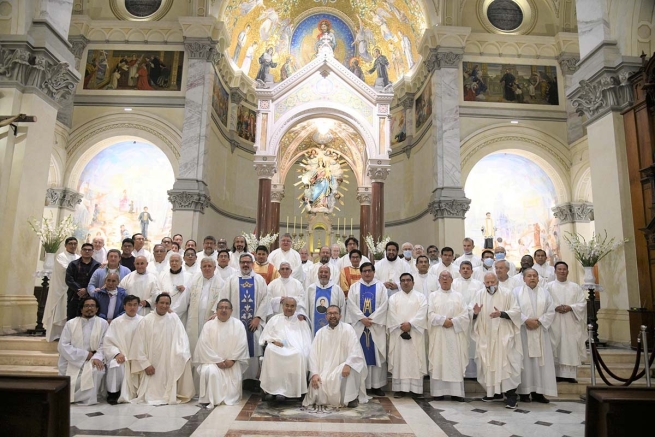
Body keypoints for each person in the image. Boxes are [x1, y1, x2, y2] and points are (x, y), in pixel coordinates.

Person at [130, 294, 195, 405]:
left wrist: (183, 354)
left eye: (167, 303)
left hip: (169, 361)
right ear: (156, 304)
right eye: (162, 303)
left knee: (184, 359)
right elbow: (138, 345)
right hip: (151, 364)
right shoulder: (146, 320)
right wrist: (145, 364)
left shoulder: (174, 319)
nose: (164, 306)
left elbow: (182, 338)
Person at [471, 273, 523, 409]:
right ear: (483, 283)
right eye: (487, 282)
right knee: (487, 363)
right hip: (485, 335)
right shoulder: (479, 294)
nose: (490, 285)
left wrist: (502, 314)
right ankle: (494, 393)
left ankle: (511, 396)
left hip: (503, 335)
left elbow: (517, 311)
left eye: (492, 282)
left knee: (507, 364)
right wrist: (475, 313)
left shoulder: (507, 293)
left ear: (497, 282)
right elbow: (470, 312)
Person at [219, 253, 272, 382]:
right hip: (235, 323)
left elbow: (266, 299)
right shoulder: (231, 280)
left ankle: (252, 379)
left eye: (248, 262)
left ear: (252, 264)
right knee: (235, 347)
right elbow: (223, 300)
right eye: (243, 262)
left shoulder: (259, 280)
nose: (245, 264)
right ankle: (238, 378)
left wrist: (258, 317)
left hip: (254, 323)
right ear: (239, 263)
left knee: (254, 347)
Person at [303, 305, 368, 409]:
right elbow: (313, 355)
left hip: (343, 368)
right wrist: (314, 373)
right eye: (330, 313)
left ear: (340, 316)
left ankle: (350, 398)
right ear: (326, 316)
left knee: (351, 368)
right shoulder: (320, 333)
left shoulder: (348, 329)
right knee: (317, 389)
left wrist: (348, 364)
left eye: (335, 313)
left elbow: (355, 350)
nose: (332, 316)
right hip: (324, 371)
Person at [193, 299, 250, 409]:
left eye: (226, 308)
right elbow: (204, 345)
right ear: (217, 310)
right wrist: (217, 361)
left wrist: (232, 360)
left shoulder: (238, 325)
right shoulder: (208, 325)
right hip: (213, 362)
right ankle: (209, 399)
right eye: (221, 308)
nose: (223, 310)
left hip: (231, 364)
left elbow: (242, 344)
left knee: (231, 393)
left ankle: (226, 397)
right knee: (209, 371)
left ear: (231, 310)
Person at [514, 269, 558, 403]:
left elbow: (551, 311)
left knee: (540, 363)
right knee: (525, 363)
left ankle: (539, 392)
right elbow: (514, 309)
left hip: (540, 332)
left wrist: (539, 322)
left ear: (538, 279)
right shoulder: (516, 292)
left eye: (534, 276)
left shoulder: (545, 293)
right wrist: (526, 320)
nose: (532, 278)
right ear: (524, 278)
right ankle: (524, 392)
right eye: (529, 276)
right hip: (523, 332)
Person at [346, 262, 388, 396]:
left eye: (369, 271)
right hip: (359, 326)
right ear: (361, 273)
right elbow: (351, 304)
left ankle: (377, 385)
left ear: (374, 272)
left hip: (376, 326)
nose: (367, 273)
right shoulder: (355, 287)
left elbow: (384, 305)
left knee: (376, 354)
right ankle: (360, 384)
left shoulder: (381, 287)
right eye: (364, 271)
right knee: (360, 353)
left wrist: (372, 319)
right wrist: (361, 318)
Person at [427, 272, 470, 401]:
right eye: (442, 277)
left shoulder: (459, 296)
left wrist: (453, 322)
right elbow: (429, 314)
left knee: (454, 362)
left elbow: (465, 315)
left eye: (447, 277)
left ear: (452, 280)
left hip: (454, 335)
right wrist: (442, 321)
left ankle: (456, 392)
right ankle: (438, 392)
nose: (445, 279)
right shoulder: (433, 296)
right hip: (439, 335)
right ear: (438, 280)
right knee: (439, 360)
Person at [259, 297, 313, 401]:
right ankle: (272, 390)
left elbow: (307, 341)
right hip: (277, 347)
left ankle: (291, 391)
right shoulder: (274, 319)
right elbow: (265, 337)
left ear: (296, 308)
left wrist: (301, 349)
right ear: (282, 306)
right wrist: (273, 341)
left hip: (294, 350)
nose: (289, 308)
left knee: (299, 354)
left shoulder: (301, 321)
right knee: (270, 350)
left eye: (292, 306)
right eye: (287, 305)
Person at [57, 296, 108, 405]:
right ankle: (73, 397)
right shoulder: (71, 324)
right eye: (86, 306)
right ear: (81, 309)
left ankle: (88, 399)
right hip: (73, 360)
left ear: (97, 309)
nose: (89, 308)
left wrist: (96, 357)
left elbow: (105, 344)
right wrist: (85, 355)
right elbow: (63, 345)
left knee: (97, 371)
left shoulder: (103, 324)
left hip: (94, 359)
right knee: (72, 378)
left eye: (92, 306)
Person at [387, 273, 428, 398]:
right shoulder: (393, 298)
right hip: (399, 334)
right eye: (403, 280)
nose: (406, 282)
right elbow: (392, 314)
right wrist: (402, 326)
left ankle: (416, 390)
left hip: (415, 333)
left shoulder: (421, 297)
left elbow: (422, 313)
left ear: (413, 282)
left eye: (408, 280)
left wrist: (411, 324)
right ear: (400, 283)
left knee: (415, 359)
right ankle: (400, 389)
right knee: (400, 360)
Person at [546, 261, 587, 383]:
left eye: (564, 269)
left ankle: (570, 375)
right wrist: (555, 307)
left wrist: (570, 307)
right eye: (559, 269)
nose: (562, 271)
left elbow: (582, 303)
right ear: (555, 271)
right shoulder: (549, 286)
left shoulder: (575, 287)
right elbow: (545, 302)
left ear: (567, 271)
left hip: (571, 320)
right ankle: (557, 374)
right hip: (555, 321)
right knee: (557, 345)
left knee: (570, 345)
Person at [175, 258, 225, 355]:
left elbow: (222, 301)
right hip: (194, 321)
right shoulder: (194, 280)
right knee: (193, 348)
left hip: (211, 320)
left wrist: (216, 312)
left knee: (209, 348)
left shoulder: (221, 283)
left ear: (214, 268)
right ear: (200, 268)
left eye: (209, 266)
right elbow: (184, 299)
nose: (207, 268)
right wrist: (173, 312)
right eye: (204, 266)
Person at [102, 294, 143, 404]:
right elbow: (108, 342)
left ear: (139, 306)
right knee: (116, 364)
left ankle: (137, 392)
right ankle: (113, 393)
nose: (132, 308)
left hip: (138, 356)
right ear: (124, 306)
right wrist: (116, 354)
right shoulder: (116, 322)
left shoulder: (144, 321)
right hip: (122, 355)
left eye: (135, 305)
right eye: (129, 305)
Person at [452, 260, 483, 379]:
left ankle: (473, 374)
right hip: (458, 320)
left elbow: (478, 299)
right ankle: (459, 373)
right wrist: (462, 314)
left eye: (467, 268)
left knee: (473, 346)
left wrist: (471, 312)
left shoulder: (478, 284)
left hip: (474, 320)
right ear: (459, 271)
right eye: (463, 268)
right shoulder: (454, 283)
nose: (465, 270)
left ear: (472, 271)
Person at [44, 237, 79, 341]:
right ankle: (56, 335)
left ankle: (68, 336)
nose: (73, 246)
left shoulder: (78, 256)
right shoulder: (61, 256)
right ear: (66, 245)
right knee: (60, 310)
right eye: (70, 244)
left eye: (75, 244)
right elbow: (65, 269)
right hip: (61, 289)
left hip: (73, 289)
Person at [66, 243, 101, 321]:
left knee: (90, 319)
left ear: (93, 252)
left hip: (91, 296)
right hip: (74, 295)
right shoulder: (73, 264)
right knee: (72, 319)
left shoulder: (98, 265)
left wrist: (86, 289)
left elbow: (98, 280)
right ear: (81, 251)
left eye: (89, 250)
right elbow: (69, 279)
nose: (87, 251)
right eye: (85, 249)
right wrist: (78, 289)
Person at [307, 264, 345, 335]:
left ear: (330, 274)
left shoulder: (337, 290)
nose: (323, 274)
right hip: (314, 329)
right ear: (317, 274)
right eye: (321, 272)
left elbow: (342, 309)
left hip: (335, 328)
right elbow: (306, 308)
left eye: (326, 272)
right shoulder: (310, 289)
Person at [159, 253, 191, 324]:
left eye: (176, 261)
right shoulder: (162, 275)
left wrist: (184, 289)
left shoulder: (188, 277)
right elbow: (157, 291)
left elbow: (189, 296)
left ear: (181, 262)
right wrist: (161, 293)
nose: (174, 263)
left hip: (181, 313)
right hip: (164, 310)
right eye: (172, 261)